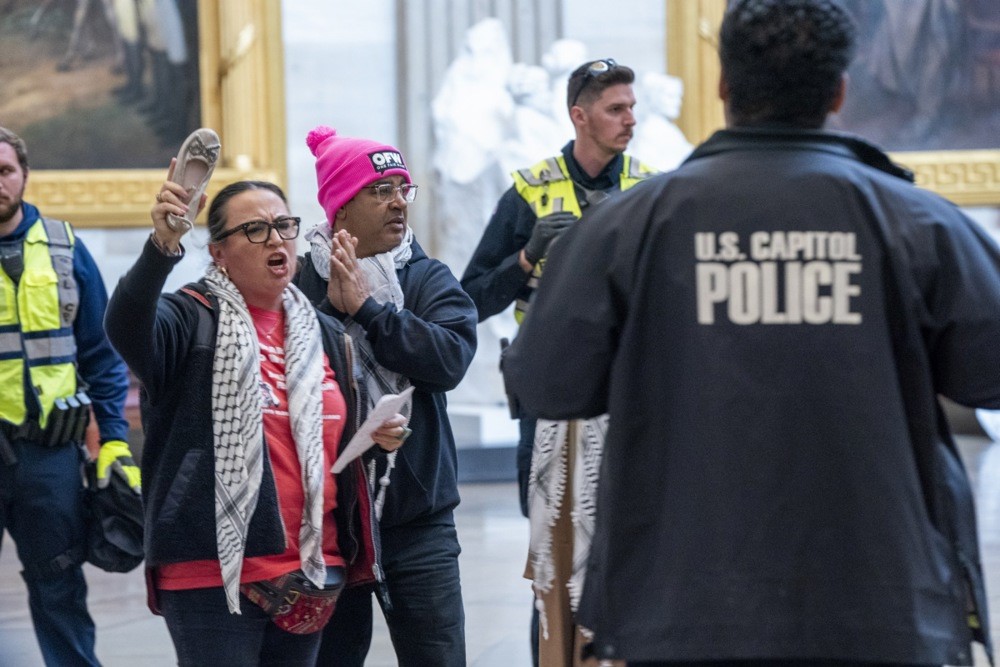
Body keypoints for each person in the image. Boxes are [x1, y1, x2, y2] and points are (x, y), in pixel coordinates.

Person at [502, 1, 1000, 665]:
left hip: (684, 610)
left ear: (723, 87)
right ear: (840, 91)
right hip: (885, 606)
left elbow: (543, 380)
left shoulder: (627, 228)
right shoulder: (921, 223)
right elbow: (988, 372)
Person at [104, 164, 408, 666]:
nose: (277, 240)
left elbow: (325, 441)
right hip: (213, 568)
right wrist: (161, 246)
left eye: (284, 226)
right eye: (255, 229)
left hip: (312, 565)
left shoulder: (321, 332)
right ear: (218, 252)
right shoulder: (190, 316)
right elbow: (126, 327)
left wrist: (377, 436)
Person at [460, 58, 657, 667]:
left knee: (632, 550)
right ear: (579, 115)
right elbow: (469, 296)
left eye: (631, 106)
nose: (630, 119)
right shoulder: (529, 190)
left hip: (631, 399)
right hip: (549, 404)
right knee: (552, 553)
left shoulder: (653, 187)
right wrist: (525, 258)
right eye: (615, 109)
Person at [294, 126, 477, 667]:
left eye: (404, 188)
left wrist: (372, 313)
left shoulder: (425, 278)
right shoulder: (301, 284)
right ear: (341, 208)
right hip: (330, 521)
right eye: (381, 190)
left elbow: (449, 361)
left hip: (417, 522)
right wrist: (335, 309)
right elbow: (287, 374)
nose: (399, 201)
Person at [0, 125, 136, 667]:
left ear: (24, 176)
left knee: (58, 587)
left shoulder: (63, 249)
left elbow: (102, 361)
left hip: (47, 459)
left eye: (4, 171)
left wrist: (116, 444)